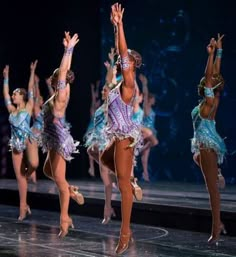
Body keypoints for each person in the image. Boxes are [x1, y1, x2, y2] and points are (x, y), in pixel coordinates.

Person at [100, 3, 143, 254]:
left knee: (122, 186)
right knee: (103, 158)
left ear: (132, 65)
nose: (121, 61)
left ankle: (124, 233)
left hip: (125, 138)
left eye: (125, 61)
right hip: (116, 138)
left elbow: (123, 54)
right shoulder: (118, 83)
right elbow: (120, 53)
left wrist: (121, 25)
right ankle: (132, 180)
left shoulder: (129, 82)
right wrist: (115, 27)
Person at [41, 32, 84, 238]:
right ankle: (71, 189)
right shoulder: (53, 96)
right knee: (47, 170)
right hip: (51, 140)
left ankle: (65, 218)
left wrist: (68, 49)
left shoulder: (61, 94)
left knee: (59, 181)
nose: (54, 77)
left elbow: (64, 70)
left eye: (57, 76)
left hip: (58, 141)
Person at [191, 34, 227, 245]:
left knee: (212, 190)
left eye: (210, 81)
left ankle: (216, 229)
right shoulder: (207, 100)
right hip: (201, 145)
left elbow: (210, 75)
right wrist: (219, 52)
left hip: (206, 143)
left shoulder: (210, 101)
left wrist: (211, 54)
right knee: (198, 160)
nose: (208, 79)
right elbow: (214, 74)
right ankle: (218, 172)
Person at [2, 61, 39, 220]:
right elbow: (5, 94)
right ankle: (23, 207)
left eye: (15, 94)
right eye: (13, 94)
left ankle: (30, 173)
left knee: (34, 164)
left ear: (22, 96)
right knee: (20, 179)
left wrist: (32, 71)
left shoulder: (29, 106)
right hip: (16, 145)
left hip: (28, 142)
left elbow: (30, 88)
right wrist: (6, 78)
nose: (12, 95)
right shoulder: (11, 110)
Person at [138, 74, 159, 182]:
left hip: (150, 131)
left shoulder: (151, 108)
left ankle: (145, 174)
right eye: (153, 99)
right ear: (150, 99)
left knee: (145, 157)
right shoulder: (146, 106)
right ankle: (140, 149)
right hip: (146, 131)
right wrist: (144, 83)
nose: (155, 100)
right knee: (155, 142)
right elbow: (145, 94)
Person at [84, 80, 101, 177]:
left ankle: (95, 166)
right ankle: (91, 167)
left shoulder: (100, 112)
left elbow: (97, 98)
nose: (98, 103)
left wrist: (97, 87)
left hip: (97, 132)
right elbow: (94, 99)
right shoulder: (93, 111)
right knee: (90, 148)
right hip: (91, 132)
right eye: (97, 103)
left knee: (95, 150)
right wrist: (93, 89)